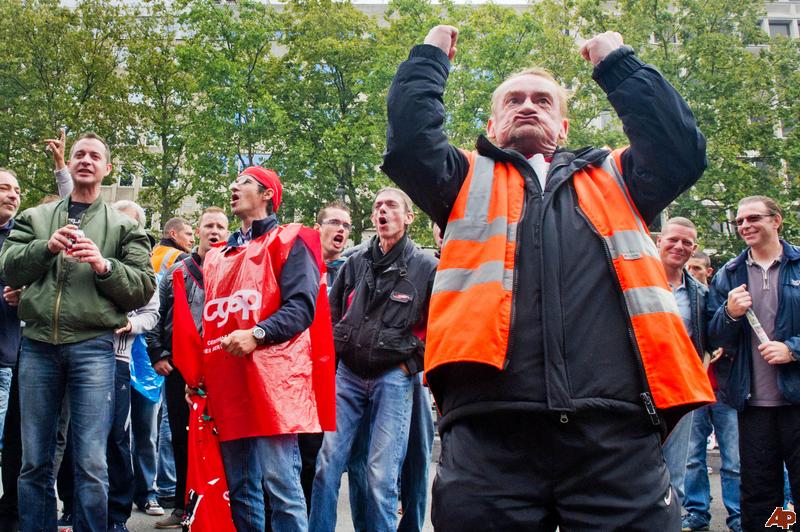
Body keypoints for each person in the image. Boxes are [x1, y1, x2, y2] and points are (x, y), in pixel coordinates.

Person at [381, 25, 713, 529]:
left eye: (542, 100)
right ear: (494, 123)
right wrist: (428, 57)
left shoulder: (617, 176)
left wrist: (616, 63)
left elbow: (680, 150)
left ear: (563, 125)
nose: (528, 106)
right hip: (490, 430)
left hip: (615, 432)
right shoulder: (463, 178)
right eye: (514, 99)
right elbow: (409, 142)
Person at [0, 132, 155, 531]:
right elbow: (9, 267)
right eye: (79, 155)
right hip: (36, 345)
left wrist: (104, 266)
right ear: (68, 164)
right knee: (33, 461)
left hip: (93, 347)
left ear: (107, 168)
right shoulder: (36, 218)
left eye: (95, 156)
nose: (86, 160)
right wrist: (46, 248)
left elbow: (143, 286)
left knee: (90, 461)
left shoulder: (124, 226)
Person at [193, 166, 333, 531]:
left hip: (275, 383)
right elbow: (211, 321)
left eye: (243, 182)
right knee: (240, 486)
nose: (233, 187)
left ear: (268, 193)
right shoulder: (218, 256)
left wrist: (257, 333)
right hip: (229, 381)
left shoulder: (291, 239)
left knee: (281, 485)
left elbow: (303, 306)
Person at [309, 187, 438, 532]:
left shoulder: (427, 267)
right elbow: (331, 314)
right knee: (326, 465)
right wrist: (337, 358)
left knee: (382, 477)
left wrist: (409, 367)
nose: (382, 210)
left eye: (391, 205)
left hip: (393, 378)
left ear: (409, 218)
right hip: (348, 375)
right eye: (377, 206)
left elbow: (441, 329)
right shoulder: (355, 260)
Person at [707, 195, 800, 531]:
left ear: (776, 220)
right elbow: (713, 338)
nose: (745, 225)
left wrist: (793, 350)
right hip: (752, 405)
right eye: (740, 221)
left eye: (753, 218)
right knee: (760, 495)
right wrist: (729, 314)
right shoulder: (728, 275)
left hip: (796, 400)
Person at [146, 206, 230, 529]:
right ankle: (183, 507)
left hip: (221, 368)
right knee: (181, 438)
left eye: (221, 227)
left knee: (220, 440)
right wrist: (158, 353)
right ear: (198, 231)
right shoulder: (176, 272)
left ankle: (218, 508)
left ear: (227, 231)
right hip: (180, 366)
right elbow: (156, 313)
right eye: (209, 225)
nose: (215, 231)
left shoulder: (234, 268)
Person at [297, 201, 353, 512]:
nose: (341, 230)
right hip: (295, 375)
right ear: (318, 227)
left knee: (317, 459)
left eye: (346, 226)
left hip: (332, 379)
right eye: (334, 222)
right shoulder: (298, 263)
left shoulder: (349, 271)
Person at [681, 249, 742, 532]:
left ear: (708, 271)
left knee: (733, 459)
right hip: (693, 389)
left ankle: (737, 513)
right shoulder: (679, 297)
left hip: (724, 388)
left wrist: (724, 347)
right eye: (689, 268)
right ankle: (697, 511)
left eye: (698, 268)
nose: (692, 273)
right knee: (693, 457)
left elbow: (732, 334)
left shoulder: (718, 299)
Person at [0, 169, 20, 454]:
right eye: (5, 188)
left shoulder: (23, 238)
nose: (13, 195)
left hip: (5, 356)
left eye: (17, 191)